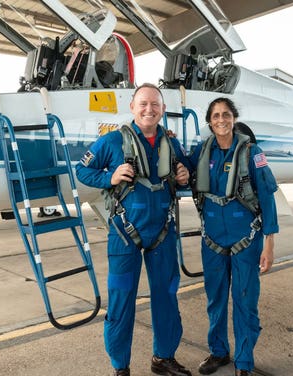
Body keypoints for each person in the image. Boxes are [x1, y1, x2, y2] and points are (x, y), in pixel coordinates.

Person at [76, 83, 192, 376]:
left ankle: (163, 358)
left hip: (163, 232)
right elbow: (82, 170)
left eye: (155, 104)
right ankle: (120, 367)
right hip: (124, 232)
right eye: (143, 104)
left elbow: (185, 176)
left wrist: (184, 176)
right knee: (121, 299)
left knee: (166, 296)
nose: (149, 110)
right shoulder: (112, 141)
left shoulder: (172, 143)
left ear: (163, 109)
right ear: (132, 107)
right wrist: (110, 177)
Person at [188, 98, 279, 376]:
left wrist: (269, 244)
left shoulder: (253, 153)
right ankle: (218, 352)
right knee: (215, 299)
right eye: (215, 116)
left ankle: (244, 361)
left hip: (246, 240)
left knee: (244, 300)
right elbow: (182, 168)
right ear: (210, 121)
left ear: (234, 118)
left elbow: (267, 197)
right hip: (212, 240)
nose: (221, 120)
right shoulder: (203, 151)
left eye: (226, 114)